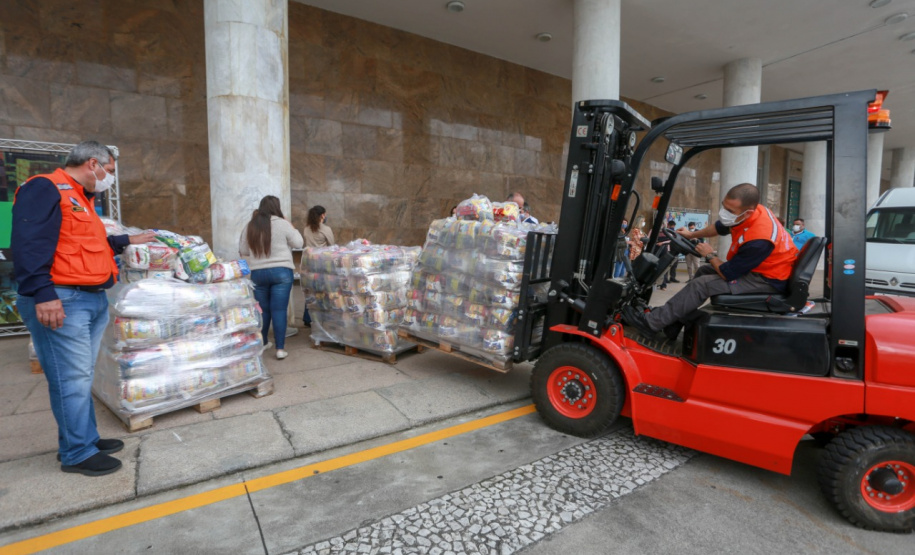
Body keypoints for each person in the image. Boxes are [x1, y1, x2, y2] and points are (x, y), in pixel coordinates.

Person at [12, 140, 156, 476]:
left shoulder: (82, 199)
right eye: (110, 171)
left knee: (79, 377)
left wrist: (126, 241)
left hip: (89, 298)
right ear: (94, 163)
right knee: (70, 378)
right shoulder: (45, 187)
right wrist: (43, 294)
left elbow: (85, 244)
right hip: (62, 299)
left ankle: (85, 439)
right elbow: (28, 243)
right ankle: (77, 453)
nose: (109, 179)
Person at [623, 183, 798, 339]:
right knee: (703, 272)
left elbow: (728, 272)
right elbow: (719, 227)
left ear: (748, 212)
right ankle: (673, 322)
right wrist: (692, 235)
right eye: (724, 207)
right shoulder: (749, 214)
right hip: (762, 270)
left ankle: (651, 323)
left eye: (730, 211)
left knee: (702, 284)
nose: (725, 213)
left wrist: (709, 254)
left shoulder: (760, 239)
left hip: (769, 280)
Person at [239, 196, 304, 360]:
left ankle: (263, 342)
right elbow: (298, 243)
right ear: (277, 207)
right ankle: (280, 349)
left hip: (258, 273)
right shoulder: (282, 223)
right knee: (279, 310)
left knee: (264, 309)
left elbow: (243, 250)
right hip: (281, 272)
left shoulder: (250, 225)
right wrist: (288, 222)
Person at [301, 205, 335, 327]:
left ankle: (307, 317)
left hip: (310, 263)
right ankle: (322, 317)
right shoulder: (326, 229)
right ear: (322, 215)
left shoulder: (306, 229)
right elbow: (332, 246)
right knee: (323, 291)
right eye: (325, 214)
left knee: (310, 290)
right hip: (322, 264)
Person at [655, 220, 680, 290]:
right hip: (655, 249)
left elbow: (671, 240)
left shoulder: (667, 231)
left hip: (665, 250)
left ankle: (663, 285)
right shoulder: (653, 230)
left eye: (662, 224)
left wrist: (662, 243)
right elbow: (649, 237)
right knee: (655, 267)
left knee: (664, 268)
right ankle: (655, 283)